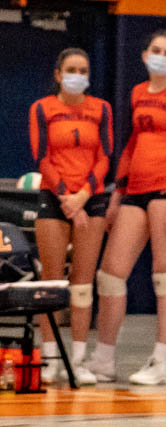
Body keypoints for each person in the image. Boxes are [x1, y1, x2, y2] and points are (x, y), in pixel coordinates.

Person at [90, 30, 166, 385]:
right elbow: (131, 145)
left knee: (165, 277)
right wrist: (117, 195)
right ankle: (103, 359)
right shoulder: (138, 92)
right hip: (134, 191)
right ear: (144, 54)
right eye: (156, 50)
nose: (162, 56)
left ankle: (160, 362)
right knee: (110, 274)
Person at [27, 48, 112, 385]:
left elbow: (104, 157)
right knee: (51, 281)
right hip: (54, 197)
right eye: (71, 69)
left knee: (82, 285)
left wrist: (82, 197)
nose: (78, 75)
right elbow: (42, 156)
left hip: (90, 198)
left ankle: (78, 361)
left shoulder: (101, 109)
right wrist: (66, 197)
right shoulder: (42, 108)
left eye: (84, 69)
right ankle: (50, 359)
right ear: (59, 75)